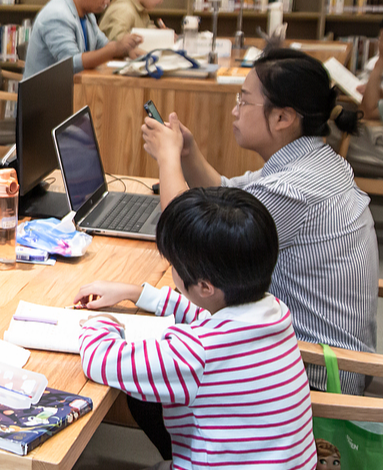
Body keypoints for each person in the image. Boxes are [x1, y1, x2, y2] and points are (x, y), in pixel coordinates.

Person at [141, 48, 378, 395]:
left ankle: (211, 450)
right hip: (323, 351)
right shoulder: (311, 160)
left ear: (283, 118)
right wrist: (189, 156)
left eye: (244, 101)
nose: (235, 110)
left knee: (154, 378)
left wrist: (168, 158)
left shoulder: (292, 188)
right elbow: (228, 195)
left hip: (316, 370)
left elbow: (190, 243)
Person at [76, 187, 316, 469]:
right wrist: (136, 293)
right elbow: (205, 314)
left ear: (204, 286)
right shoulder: (273, 311)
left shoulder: (196, 353)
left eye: (174, 263)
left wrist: (101, 324)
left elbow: (99, 360)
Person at [23, 0, 143, 77]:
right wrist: (115, 48)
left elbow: (104, 45)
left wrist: (126, 50)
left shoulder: (88, 15)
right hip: (46, 94)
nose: (107, 2)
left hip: (71, 89)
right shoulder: (56, 14)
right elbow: (71, 64)